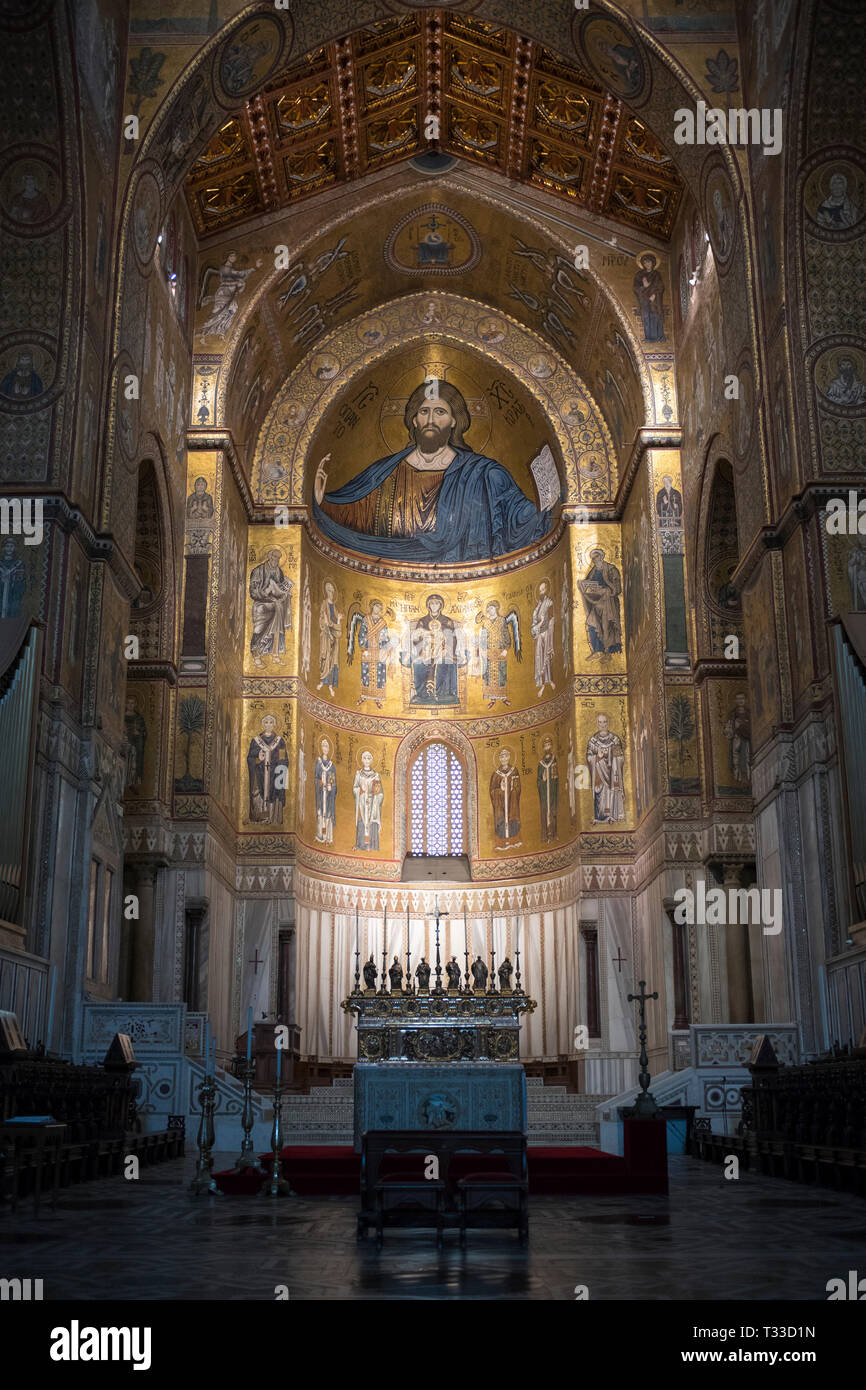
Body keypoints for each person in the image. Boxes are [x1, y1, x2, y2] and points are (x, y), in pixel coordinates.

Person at [312, 380, 553, 563]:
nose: (431, 419)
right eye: (424, 411)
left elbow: (520, 520)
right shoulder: (386, 471)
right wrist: (323, 501)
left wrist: (550, 505)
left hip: (469, 586)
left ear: (454, 421)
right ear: (414, 420)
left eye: (440, 412)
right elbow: (356, 514)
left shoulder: (484, 474)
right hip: (394, 575)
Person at [249, 549, 293, 667]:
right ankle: (256, 654)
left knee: (276, 632)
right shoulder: (259, 571)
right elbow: (253, 592)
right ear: (269, 557)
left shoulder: (279, 572)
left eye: (278, 559)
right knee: (259, 631)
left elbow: (281, 587)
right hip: (262, 606)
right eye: (274, 558)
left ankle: (275, 654)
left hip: (276, 606)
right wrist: (266, 592)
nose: (276, 561)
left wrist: (285, 593)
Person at [578, 548, 622, 656]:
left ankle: (608, 651)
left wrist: (607, 590)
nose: (594, 560)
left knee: (606, 626)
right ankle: (597, 650)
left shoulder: (611, 569)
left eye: (596, 557)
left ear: (601, 557)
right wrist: (582, 584)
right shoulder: (593, 571)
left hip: (608, 603)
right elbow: (589, 584)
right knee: (592, 623)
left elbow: (617, 587)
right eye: (592, 558)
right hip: (596, 603)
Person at [246, 715, 289, 824]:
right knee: (257, 793)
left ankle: (273, 818)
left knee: (275, 793)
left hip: (274, 775)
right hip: (259, 775)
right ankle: (259, 818)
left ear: (274, 724)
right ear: (262, 724)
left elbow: (283, 759)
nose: (268, 725)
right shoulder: (255, 741)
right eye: (266, 722)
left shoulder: (280, 742)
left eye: (271, 722)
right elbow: (250, 759)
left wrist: (279, 768)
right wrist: (257, 758)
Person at [586, 714, 625, 823]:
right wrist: (597, 757)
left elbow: (620, 758)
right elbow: (589, 758)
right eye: (600, 722)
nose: (602, 725)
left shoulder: (615, 740)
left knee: (611, 791)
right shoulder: (592, 741)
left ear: (608, 723)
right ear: (597, 724)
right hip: (599, 774)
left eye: (604, 722)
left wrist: (610, 754)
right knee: (601, 793)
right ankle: (601, 817)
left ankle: (612, 815)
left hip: (612, 773)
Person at [490, 747, 522, 849]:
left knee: (512, 820)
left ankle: (514, 841)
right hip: (500, 804)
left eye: (506, 756)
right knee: (501, 820)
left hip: (512, 802)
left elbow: (518, 788)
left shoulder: (514, 771)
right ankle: (502, 843)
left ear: (509, 757)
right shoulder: (496, 774)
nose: (504, 759)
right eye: (502, 757)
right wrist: (500, 790)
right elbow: (492, 791)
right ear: (499, 759)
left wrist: (513, 790)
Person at [353, 750, 383, 851]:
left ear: (372, 760)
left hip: (372, 802)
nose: (367, 760)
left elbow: (380, 793)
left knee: (371, 822)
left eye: (369, 758)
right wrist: (360, 790)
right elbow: (355, 788)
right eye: (365, 758)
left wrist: (376, 794)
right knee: (362, 821)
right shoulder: (359, 774)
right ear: (361, 759)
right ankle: (361, 845)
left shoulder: (375, 775)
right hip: (362, 802)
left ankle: (372, 845)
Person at [633, 253, 665, 342]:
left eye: (649, 262)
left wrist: (654, 294)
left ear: (653, 263)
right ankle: (649, 338)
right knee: (646, 317)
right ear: (643, 264)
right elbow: (635, 288)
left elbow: (660, 286)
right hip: (644, 300)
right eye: (645, 263)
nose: (647, 264)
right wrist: (645, 287)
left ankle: (659, 337)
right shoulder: (639, 275)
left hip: (655, 299)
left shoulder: (656, 274)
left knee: (656, 315)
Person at [531, 579, 556, 696]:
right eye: (540, 590)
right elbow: (533, 626)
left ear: (547, 590)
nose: (541, 592)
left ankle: (549, 680)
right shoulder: (536, 609)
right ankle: (541, 683)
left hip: (547, 634)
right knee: (539, 659)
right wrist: (538, 626)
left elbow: (551, 619)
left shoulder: (549, 603)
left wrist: (545, 626)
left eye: (543, 589)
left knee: (546, 657)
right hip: (539, 636)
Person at [314, 738, 337, 843]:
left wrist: (330, 787)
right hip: (320, 793)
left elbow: (332, 780)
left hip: (327, 795)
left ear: (329, 749)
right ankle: (320, 836)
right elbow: (315, 778)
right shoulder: (318, 763)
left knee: (327, 814)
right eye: (323, 746)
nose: (325, 748)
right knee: (320, 814)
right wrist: (319, 783)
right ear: (321, 748)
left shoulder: (331, 766)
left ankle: (328, 837)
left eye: (327, 746)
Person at [537, 737, 559, 842]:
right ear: (543, 748)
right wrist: (543, 780)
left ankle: (554, 834)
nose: (547, 747)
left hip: (552, 791)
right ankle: (545, 835)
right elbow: (538, 780)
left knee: (553, 811)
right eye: (545, 746)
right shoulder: (541, 764)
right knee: (544, 812)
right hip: (544, 794)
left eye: (549, 745)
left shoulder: (554, 759)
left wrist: (554, 778)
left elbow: (556, 776)